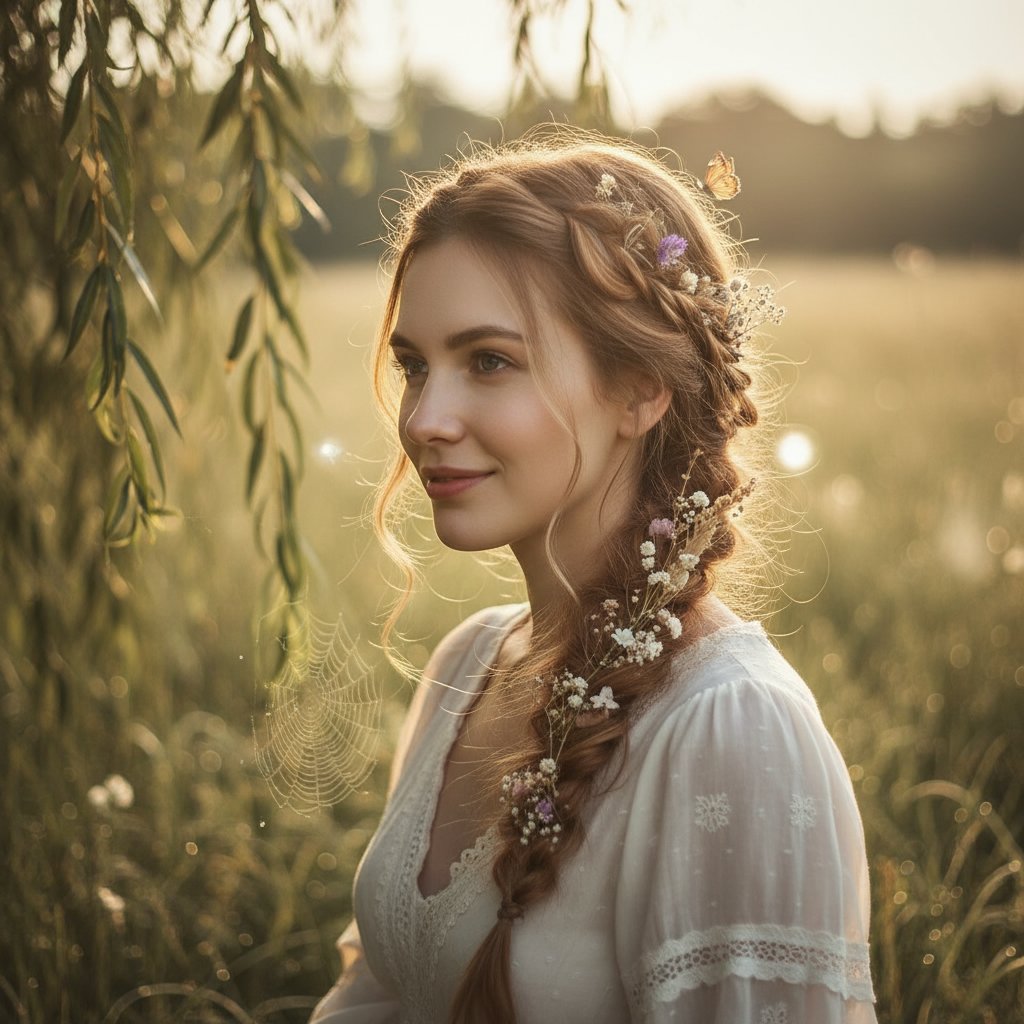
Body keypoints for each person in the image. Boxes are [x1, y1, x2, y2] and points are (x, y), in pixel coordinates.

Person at [310, 128, 876, 1023]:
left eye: (488, 361)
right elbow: (378, 999)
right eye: (417, 366)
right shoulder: (469, 664)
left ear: (640, 387)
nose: (424, 418)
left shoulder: (730, 729)